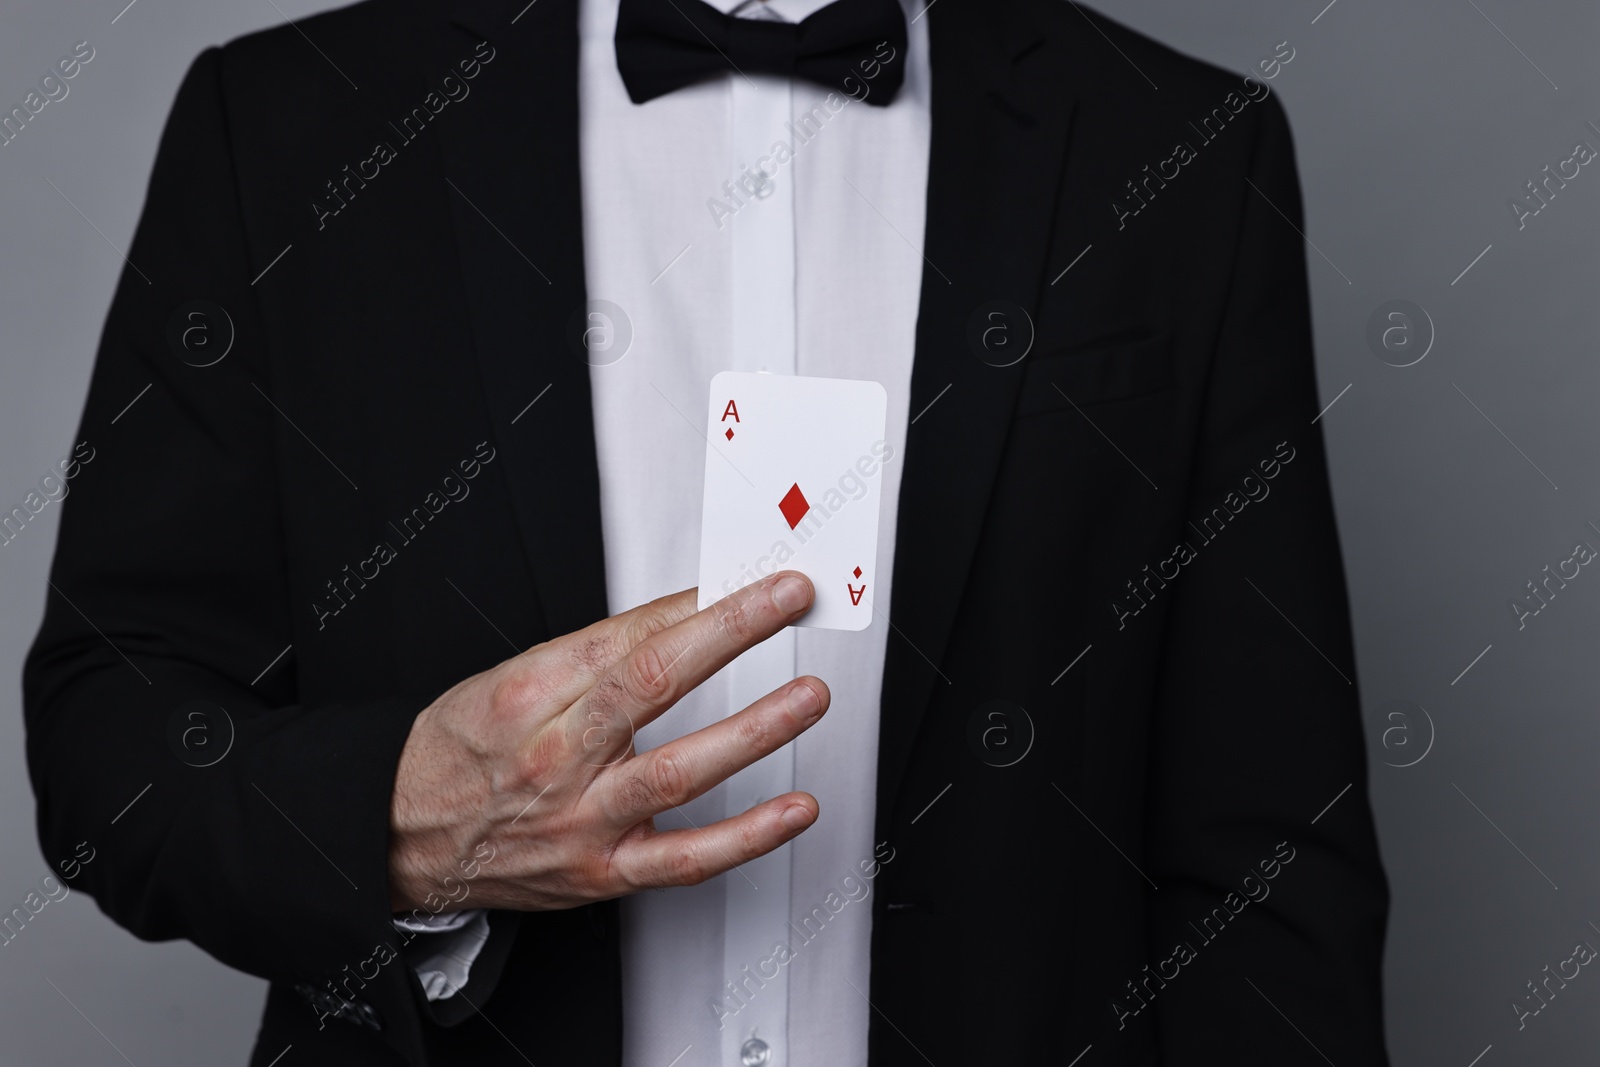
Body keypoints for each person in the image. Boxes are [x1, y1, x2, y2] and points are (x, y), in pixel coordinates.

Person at [23, 0, 1391, 1063]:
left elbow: (1272, 863)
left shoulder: (1184, 155)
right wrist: (402, 821)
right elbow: (111, 733)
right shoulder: (284, 126)